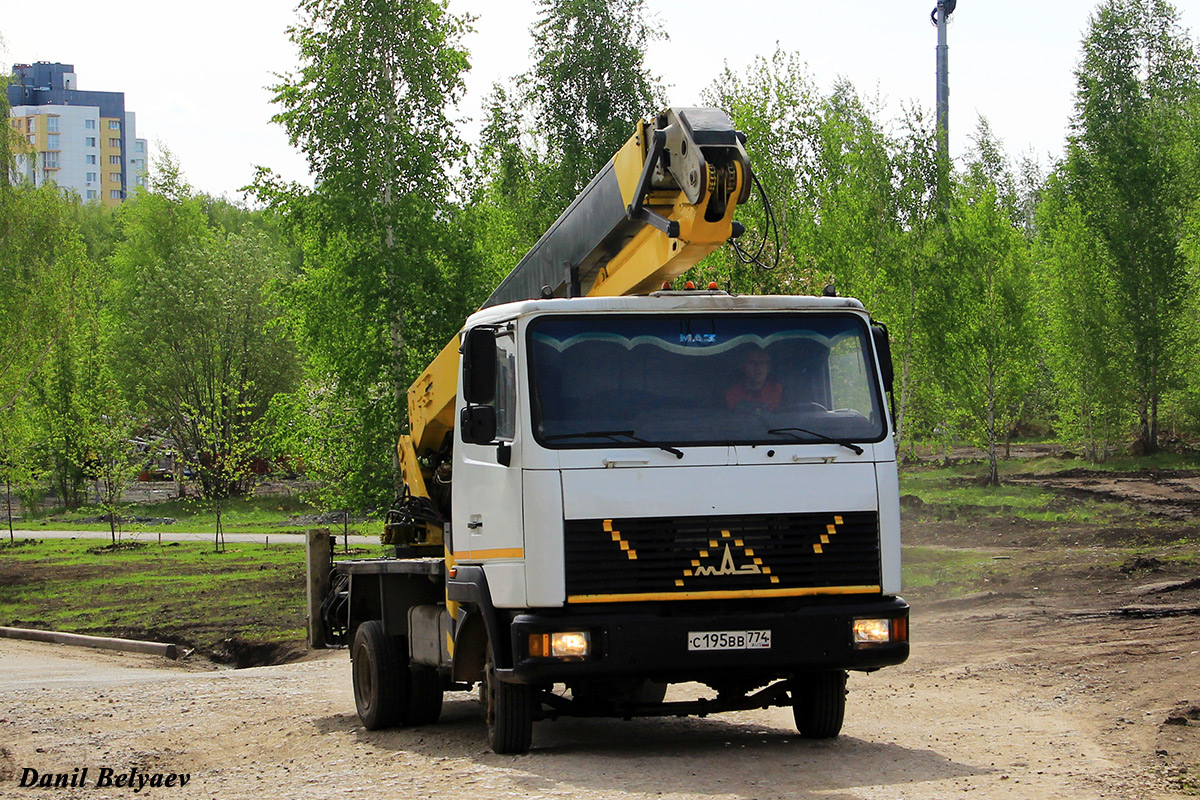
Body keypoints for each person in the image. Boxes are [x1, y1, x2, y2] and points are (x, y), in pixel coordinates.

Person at [725, 347, 781, 411]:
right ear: (742, 366)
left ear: (768, 367)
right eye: (752, 362)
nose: (758, 367)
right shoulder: (732, 393)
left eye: (762, 362)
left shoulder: (778, 391)